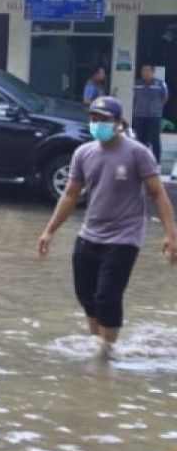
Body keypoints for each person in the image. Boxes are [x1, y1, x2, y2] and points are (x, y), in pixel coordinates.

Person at [37, 96, 177, 359]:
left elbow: (158, 193)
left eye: (103, 120)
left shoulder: (138, 153)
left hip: (125, 238)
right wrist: (49, 231)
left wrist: (171, 234)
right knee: (86, 296)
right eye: (93, 119)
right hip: (90, 234)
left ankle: (107, 353)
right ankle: (96, 344)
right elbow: (69, 195)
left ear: (118, 123)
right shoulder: (84, 153)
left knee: (107, 298)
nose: (97, 124)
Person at [132, 65, 168, 167]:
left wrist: (156, 108)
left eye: (147, 71)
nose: (145, 73)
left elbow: (164, 98)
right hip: (140, 115)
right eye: (143, 71)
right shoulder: (137, 83)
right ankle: (140, 161)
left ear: (153, 73)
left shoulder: (160, 84)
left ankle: (157, 162)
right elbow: (135, 97)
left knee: (154, 139)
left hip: (154, 116)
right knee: (140, 139)